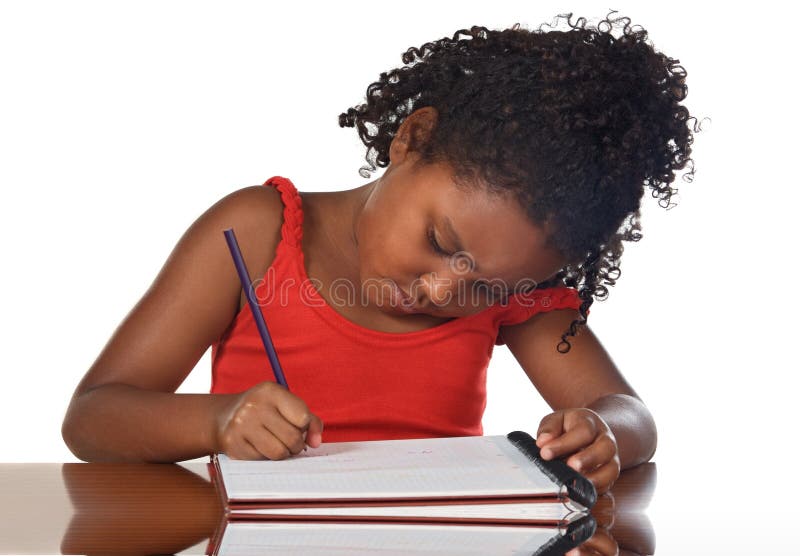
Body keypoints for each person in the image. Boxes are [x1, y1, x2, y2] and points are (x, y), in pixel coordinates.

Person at [62, 11, 697, 496]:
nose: (446, 292)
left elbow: (631, 414)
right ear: (410, 138)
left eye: (488, 288)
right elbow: (93, 418)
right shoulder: (256, 234)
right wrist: (218, 421)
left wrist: (604, 432)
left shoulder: (515, 287)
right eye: (440, 243)